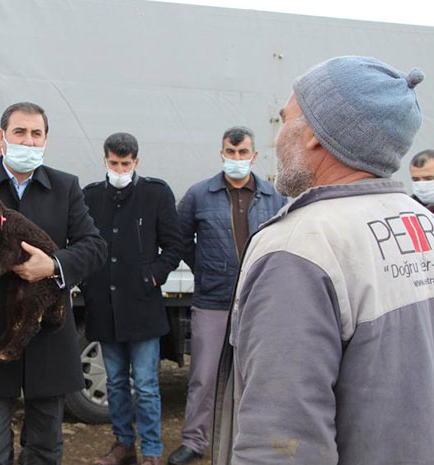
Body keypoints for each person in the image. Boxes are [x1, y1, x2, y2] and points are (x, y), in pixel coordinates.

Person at [213, 56, 433, 465]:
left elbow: (280, 445)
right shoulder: (420, 220)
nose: (277, 137)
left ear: (314, 134)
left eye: (285, 118)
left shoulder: (300, 246)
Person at [0, 101, 107, 465]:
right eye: (19, 132)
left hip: (45, 330)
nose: (28, 142)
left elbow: (94, 247)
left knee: (45, 447)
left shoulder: (65, 187)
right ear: (1, 138)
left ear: (45, 141)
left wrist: (54, 264)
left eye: (36, 134)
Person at [168, 126, 285, 465]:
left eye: (243, 153)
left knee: (256, 374)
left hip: (259, 301)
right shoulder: (198, 195)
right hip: (212, 300)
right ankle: (194, 440)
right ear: (221, 154)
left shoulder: (274, 196)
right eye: (230, 154)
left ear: (254, 155)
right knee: (203, 375)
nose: (236, 160)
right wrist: (205, 268)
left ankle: (249, 441)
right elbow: (180, 240)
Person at [80, 132, 183, 465]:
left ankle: (152, 450)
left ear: (136, 161)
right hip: (104, 307)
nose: (120, 169)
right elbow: (80, 243)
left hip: (142, 305)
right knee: (116, 382)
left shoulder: (156, 193)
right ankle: (123, 444)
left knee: (148, 384)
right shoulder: (90, 196)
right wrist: (86, 281)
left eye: (126, 163)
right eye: (114, 163)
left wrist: (153, 274)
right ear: (105, 160)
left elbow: (174, 245)